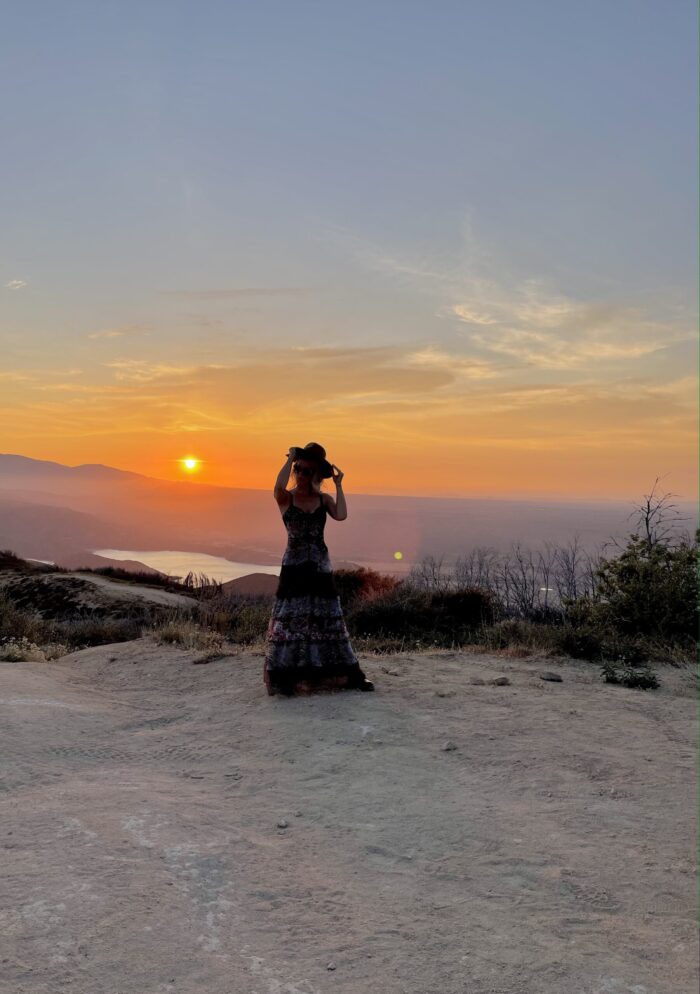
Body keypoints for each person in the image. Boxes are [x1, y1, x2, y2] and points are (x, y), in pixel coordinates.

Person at [263, 442, 374, 696]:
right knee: (292, 622)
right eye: (298, 469)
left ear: (315, 475)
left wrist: (339, 485)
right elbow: (277, 488)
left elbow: (342, 515)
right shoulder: (287, 498)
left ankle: (345, 674)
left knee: (328, 621)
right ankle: (288, 677)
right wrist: (289, 458)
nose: (300, 474)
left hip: (320, 566)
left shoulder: (323, 499)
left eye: (306, 471)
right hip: (294, 566)